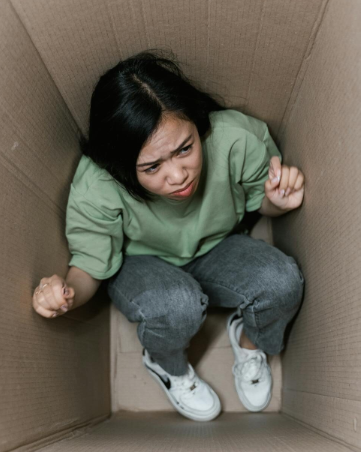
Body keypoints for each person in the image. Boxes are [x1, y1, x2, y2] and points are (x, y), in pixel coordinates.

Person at [32, 49, 305, 422]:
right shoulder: (97, 184)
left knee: (282, 282)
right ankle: (168, 365)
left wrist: (276, 202)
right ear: (121, 166)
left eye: (185, 149)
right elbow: (91, 265)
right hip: (140, 262)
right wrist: (66, 294)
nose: (178, 176)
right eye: (152, 166)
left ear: (196, 122)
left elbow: (263, 204)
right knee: (176, 304)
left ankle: (249, 338)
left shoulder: (234, 137)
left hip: (216, 243)